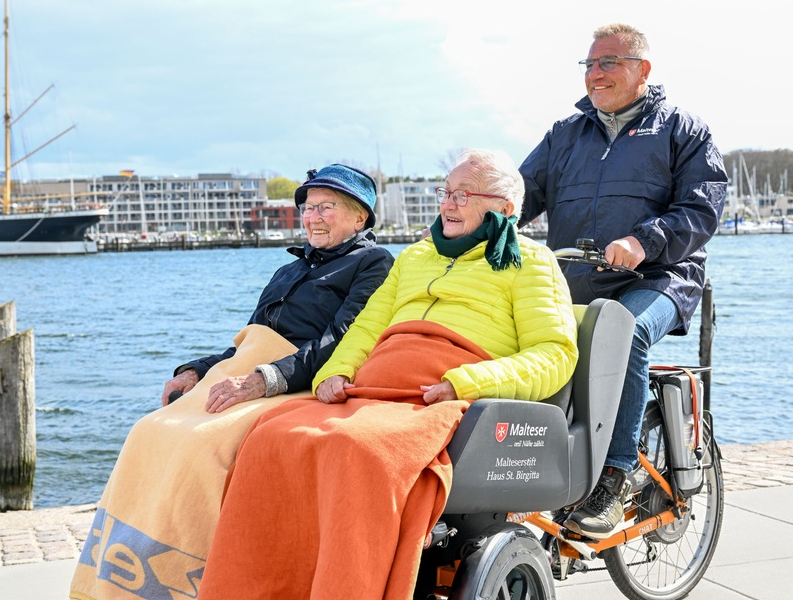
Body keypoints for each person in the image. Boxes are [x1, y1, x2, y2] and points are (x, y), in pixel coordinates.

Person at [196, 148, 579, 599]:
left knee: (357, 449)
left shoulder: (531, 262)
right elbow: (366, 329)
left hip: (442, 389)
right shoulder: (415, 257)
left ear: (505, 209)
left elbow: (554, 353)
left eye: (462, 195)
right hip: (375, 385)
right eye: (446, 192)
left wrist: (467, 382)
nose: (447, 204)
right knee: (268, 438)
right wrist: (334, 373)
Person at [69, 164, 394, 600]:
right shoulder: (288, 270)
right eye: (308, 208)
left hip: (294, 380)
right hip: (246, 371)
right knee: (148, 431)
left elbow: (340, 341)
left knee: (202, 448)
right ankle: (117, 580)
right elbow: (243, 343)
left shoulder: (373, 263)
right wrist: (195, 370)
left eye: (326, 207)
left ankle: (184, 582)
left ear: (360, 217)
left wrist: (266, 379)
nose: (312, 216)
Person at [519, 23, 727, 540]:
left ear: (642, 70)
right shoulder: (565, 134)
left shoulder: (684, 129)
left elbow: (702, 211)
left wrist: (643, 241)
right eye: (588, 65)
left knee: (625, 331)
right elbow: (520, 194)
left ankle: (616, 476)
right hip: (576, 279)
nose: (595, 74)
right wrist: (479, 217)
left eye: (607, 62)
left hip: (662, 277)